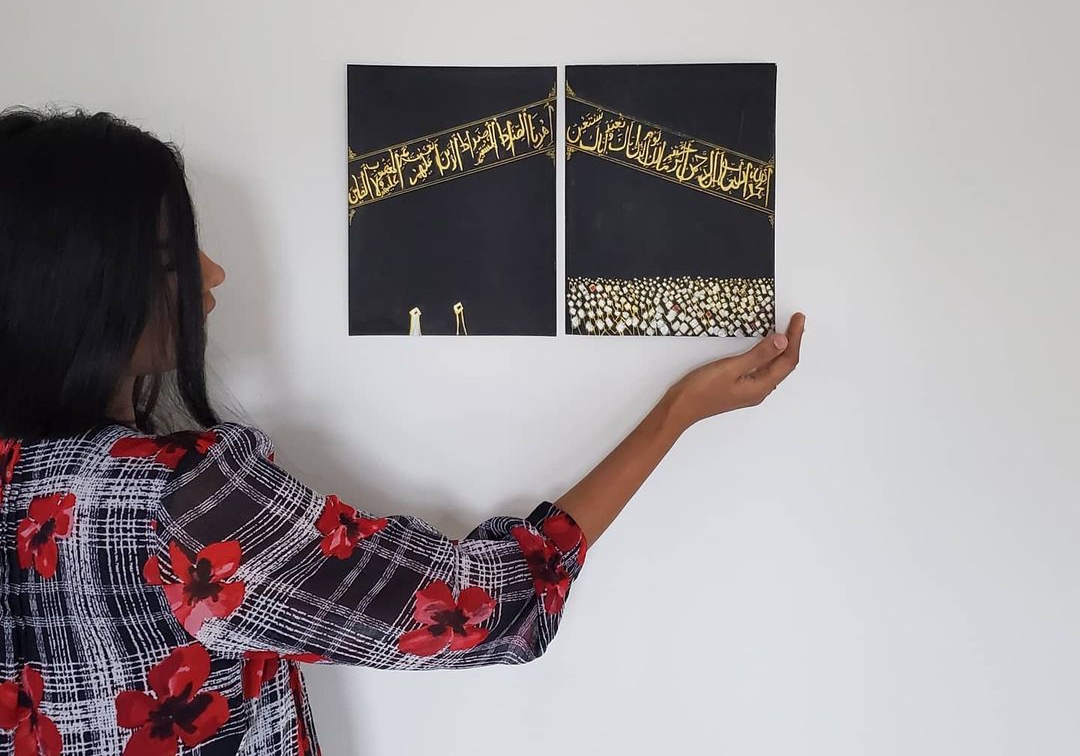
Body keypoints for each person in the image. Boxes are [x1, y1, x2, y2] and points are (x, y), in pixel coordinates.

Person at [0, 106, 805, 756]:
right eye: (176, 255)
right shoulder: (179, 502)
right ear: (77, 287)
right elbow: (494, 608)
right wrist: (676, 414)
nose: (214, 275)